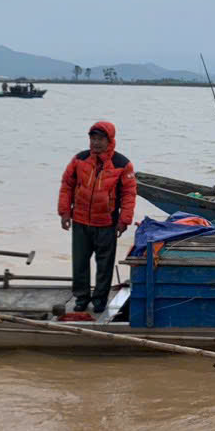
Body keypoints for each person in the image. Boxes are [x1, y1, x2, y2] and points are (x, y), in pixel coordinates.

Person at [58, 121, 137, 313]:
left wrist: (124, 220)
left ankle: (100, 300)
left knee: (104, 265)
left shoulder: (122, 164)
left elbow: (129, 194)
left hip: (107, 222)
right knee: (80, 263)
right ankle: (81, 298)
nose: (95, 143)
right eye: (93, 138)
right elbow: (67, 185)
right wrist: (65, 212)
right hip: (80, 221)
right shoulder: (79, 159)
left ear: (110, 140)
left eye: (100, 139)